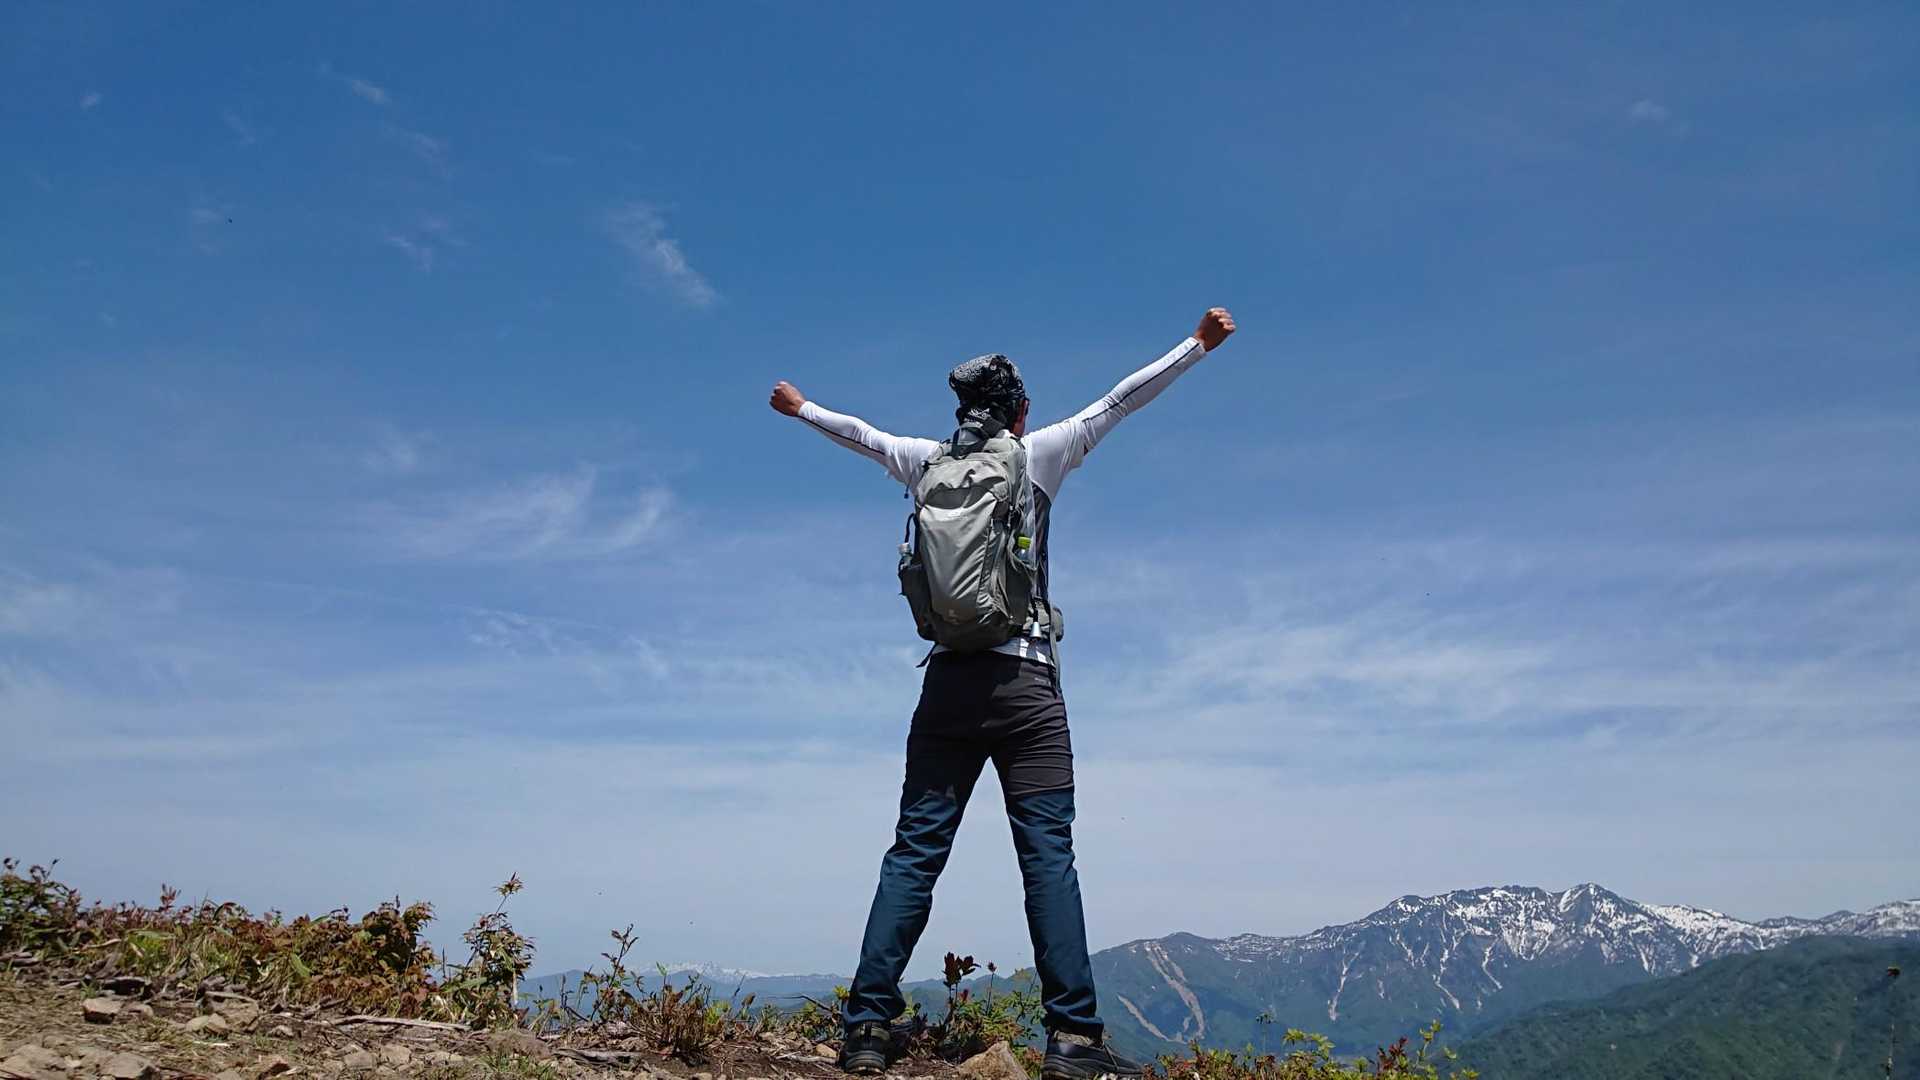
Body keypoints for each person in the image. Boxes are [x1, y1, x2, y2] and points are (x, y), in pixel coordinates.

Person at [768, 308, 1237, 1078]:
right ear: (1020, 410)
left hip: (947, 685)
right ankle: (1073, 1040)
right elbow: (1121, 400)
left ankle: (867, 1030)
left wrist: (801, 408)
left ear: (962, 411)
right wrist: (1198, 346)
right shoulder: (1039, 453)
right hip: (1026, 685)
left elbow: (862, 435)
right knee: (1047, 856)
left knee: (914, 853)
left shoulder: (924, 462)